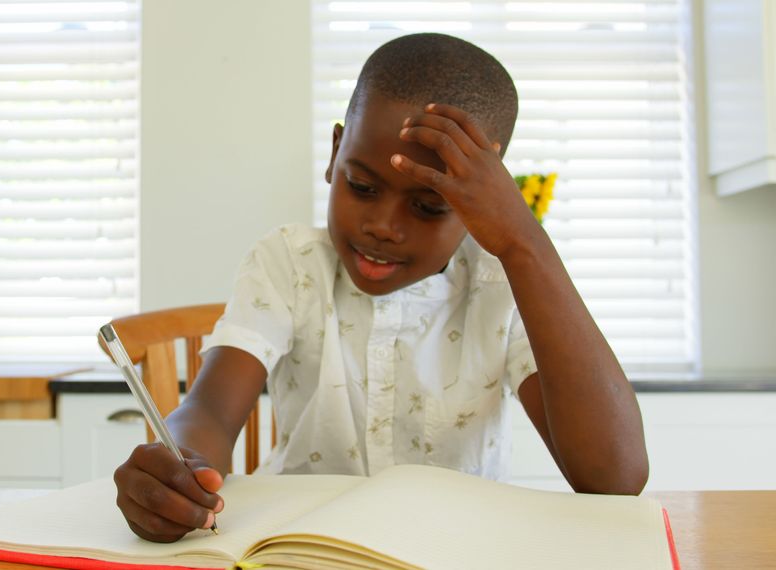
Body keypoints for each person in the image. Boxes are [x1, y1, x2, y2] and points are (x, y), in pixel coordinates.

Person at [113, 32, 649, 544]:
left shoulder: (501, 283)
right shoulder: (288, 262)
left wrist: (523, 243)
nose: (383, 226)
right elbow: (209, 413)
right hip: (301, 546)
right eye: (362, 186)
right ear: (335, 153)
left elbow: (614, 478)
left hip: (456, 552)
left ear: (487, 199)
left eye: (429, 205)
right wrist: (177, 468)